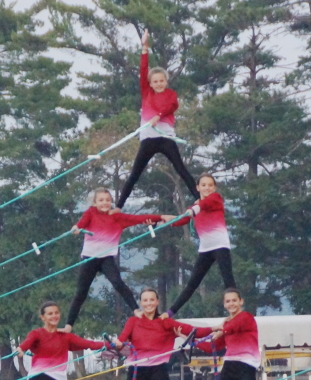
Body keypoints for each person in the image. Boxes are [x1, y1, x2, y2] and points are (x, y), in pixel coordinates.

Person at [115, 29, 199, 210]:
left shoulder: (171, 95)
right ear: (150, 83)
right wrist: (145, 47)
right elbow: (143, 69)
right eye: (155, 81)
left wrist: (158, 116)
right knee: (134, 174)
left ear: (166, 81)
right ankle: (118, 206)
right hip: (148, 139)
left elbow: (171, 107)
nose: (159, 83)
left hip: (166, 138)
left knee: (181, 168)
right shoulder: (147, 93)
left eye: (161, 80)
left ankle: (198, 198)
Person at [63, 188, 170, 331]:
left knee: (118, 282)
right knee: (81, 292)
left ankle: (136, 310)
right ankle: (69, 325)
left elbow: (138, 218)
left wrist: (161, 217)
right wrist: (77, 227)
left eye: (107, 200)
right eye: (101, 200)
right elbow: (83, 222)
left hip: (106, 258)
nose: (105, 203)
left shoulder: (117, 218)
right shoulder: (91, 212)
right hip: (90, 258)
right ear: (95, 202)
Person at [166, 174, 237, 316]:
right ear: (198, 187)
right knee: (192, 283)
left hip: (220, 246)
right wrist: (160, 220)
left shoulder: (215, 198)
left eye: (210, 185)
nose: (207, 188)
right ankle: (170, 312)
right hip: (205, 249)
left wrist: (193, 210)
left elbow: (203, 205)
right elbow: (181, 220)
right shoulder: (195, 206)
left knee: (228, 280)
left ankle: (236, 313)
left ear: (214, 187)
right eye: (203, 185)